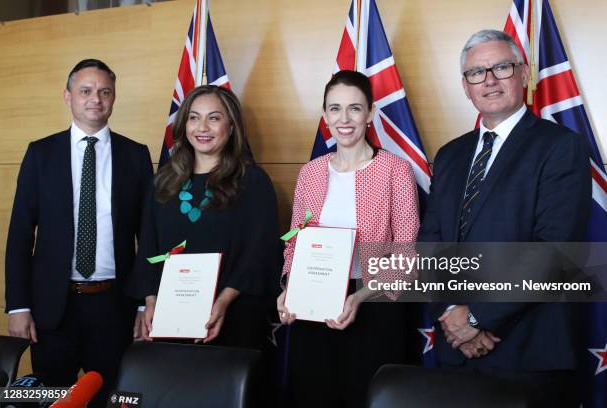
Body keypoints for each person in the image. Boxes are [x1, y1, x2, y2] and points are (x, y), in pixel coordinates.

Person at [418, 30, 591, 407]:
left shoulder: (561, 147)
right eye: (477, 72)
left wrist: (477, 317)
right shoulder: (450, 155)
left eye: (501, 67)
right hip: (456, 353)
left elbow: (554, 252)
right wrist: (452, 313)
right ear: (466, 87)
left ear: (524, 73)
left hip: (529, 351)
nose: (490, 80)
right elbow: (430, 242)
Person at [5, 59, 153, 407]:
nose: (95, 99)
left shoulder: (136, 155)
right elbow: (20, 234)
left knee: (113, 398)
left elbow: (148, 237)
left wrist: (143, 304)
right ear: (68, 96)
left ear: (114, 98)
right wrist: (18, 306)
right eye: (85, 91)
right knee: (52, 399)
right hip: (53, 309)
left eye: (105, 92)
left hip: (114, 307)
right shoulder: (41, 153)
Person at [277, 70, 420, 408]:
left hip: (373, 306)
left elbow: (406, 251)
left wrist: (361, 297)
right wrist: (287, 288)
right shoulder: (310, 172)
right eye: (335, 109)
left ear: (370, 114)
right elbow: (293, 239)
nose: (345, 119)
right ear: (325, 115)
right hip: (311, 305)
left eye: (355, 109)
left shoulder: (395, 170)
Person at [135, 85, 281, 351]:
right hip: (171, 317)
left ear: (232, 126)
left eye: (214, 118)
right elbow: (148, 247)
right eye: (194, 117)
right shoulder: (162, 182)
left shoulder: (252, 182)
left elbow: (260, 253)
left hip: (232, 317)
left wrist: (223, 301)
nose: (202, 127)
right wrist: (150, 301)